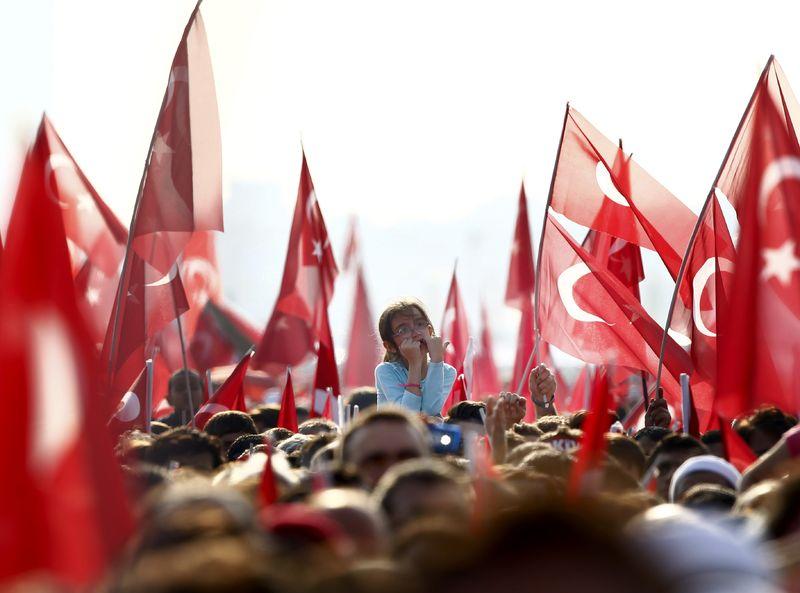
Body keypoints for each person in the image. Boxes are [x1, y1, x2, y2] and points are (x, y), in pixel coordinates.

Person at [375, 299, 456, 416]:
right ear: (390, 346)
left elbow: (430, 411)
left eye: (420, 324)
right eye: (403, 330)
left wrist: (437, 361)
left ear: (430, 331)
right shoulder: (385, 371)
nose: (416, 333)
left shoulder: (447, 372)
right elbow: (407, 415)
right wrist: (414, 364)